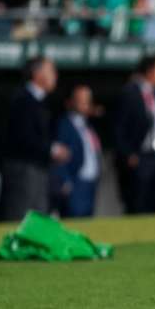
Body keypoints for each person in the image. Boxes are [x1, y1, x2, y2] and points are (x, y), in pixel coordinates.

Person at [0, 57, 70, 222]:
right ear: (37, 74)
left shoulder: (41, 102)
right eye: (51, 71)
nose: (55, 76)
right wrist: (52, 149)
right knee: (21, 218)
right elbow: (22, 138)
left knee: (38, 219)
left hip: (38, 168)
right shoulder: (21, 100)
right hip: (22, 170)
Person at [113, 55, 155, 214]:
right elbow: (119, 127)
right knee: (138, 202)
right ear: (150, 71)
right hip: (140, 156)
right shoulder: (130, 92)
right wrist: (128, 154)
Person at [52, 84, 102, 218]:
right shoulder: (64, 125)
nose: (85, 104)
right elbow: (59, 156)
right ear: (70, 102)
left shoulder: (88, 125)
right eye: (81, 100)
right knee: (74, 221)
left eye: (88, 100)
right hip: (75, 183)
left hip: (90, 182)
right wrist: (65, 180)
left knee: (87, 220)